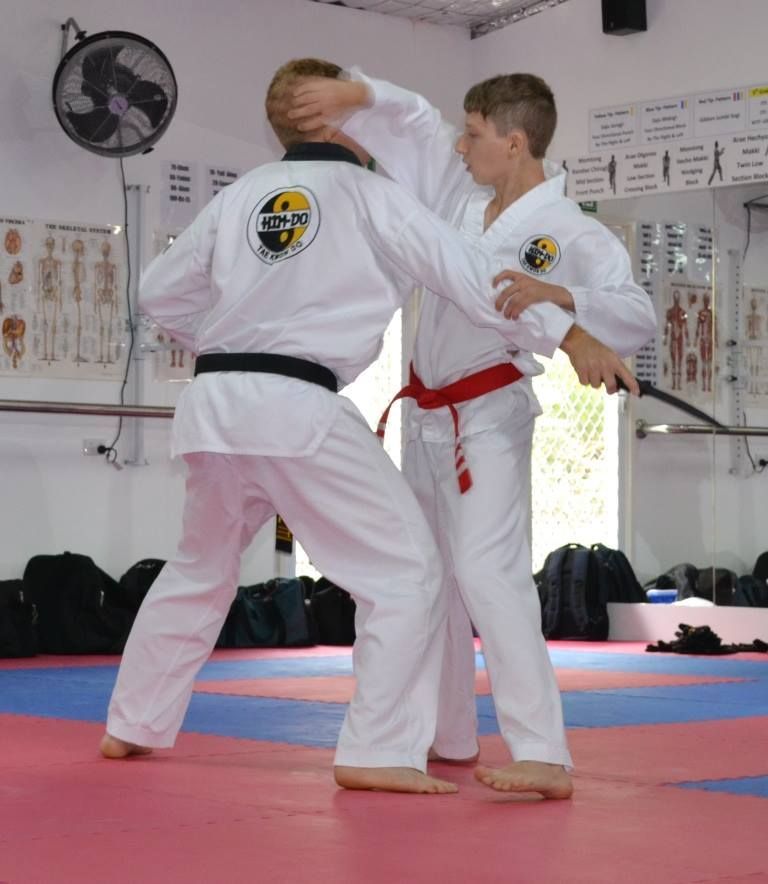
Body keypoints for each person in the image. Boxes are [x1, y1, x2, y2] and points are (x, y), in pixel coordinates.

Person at [98, 58, 636, 795]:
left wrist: (231, 336)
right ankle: (380, 747)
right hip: (300, 408)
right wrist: (571, 336)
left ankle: (131, 721)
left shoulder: (243, 195)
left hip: (217, 403)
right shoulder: (372, 195)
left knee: (200, 566)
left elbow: (156, 293)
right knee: (410, 573)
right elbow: (472, 277)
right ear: (344, 125)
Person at [289, 68, 656, 798]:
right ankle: (446, 731)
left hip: (487, 415)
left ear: (514, 142)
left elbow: (636, 315)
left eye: (477, 134)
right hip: (425, 413)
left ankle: (545, 753)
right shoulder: (458, 200)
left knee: (487, 574)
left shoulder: (573, 232)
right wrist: (361, 96)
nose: (461, 147)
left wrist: (567, 299)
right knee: (429, 577)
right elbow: (420, 127)